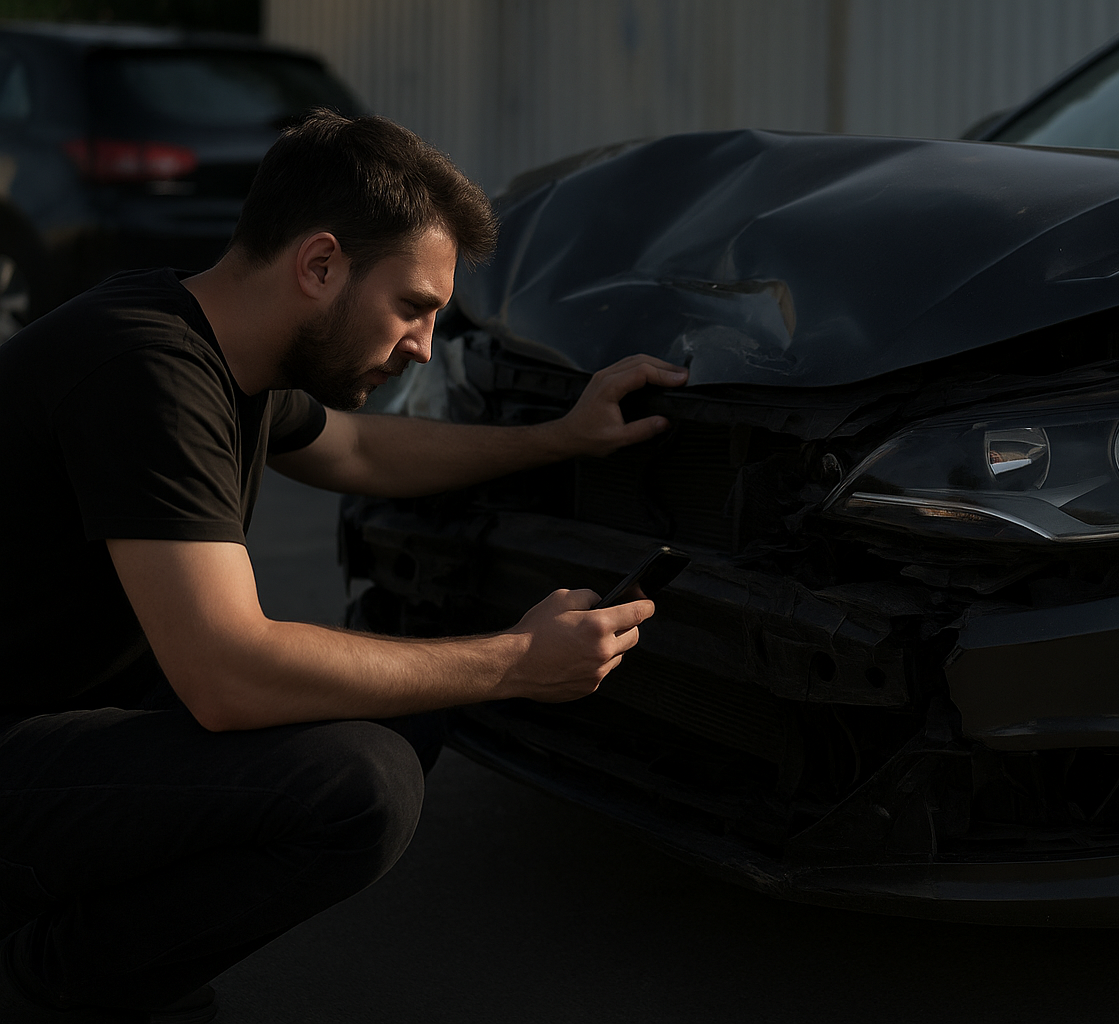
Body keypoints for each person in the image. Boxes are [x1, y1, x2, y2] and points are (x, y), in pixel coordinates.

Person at [0, 110, 688, 1023]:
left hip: (63, 718)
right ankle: (39, 982)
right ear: (320, 265)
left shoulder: (224, 349)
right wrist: (519, 662)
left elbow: (360, 453)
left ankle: (98, 944)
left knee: (408, 708)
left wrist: (559, 439)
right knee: (355, 783)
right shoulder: (144, 368)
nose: (423, 346)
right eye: (413, 307)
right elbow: (227, 676)